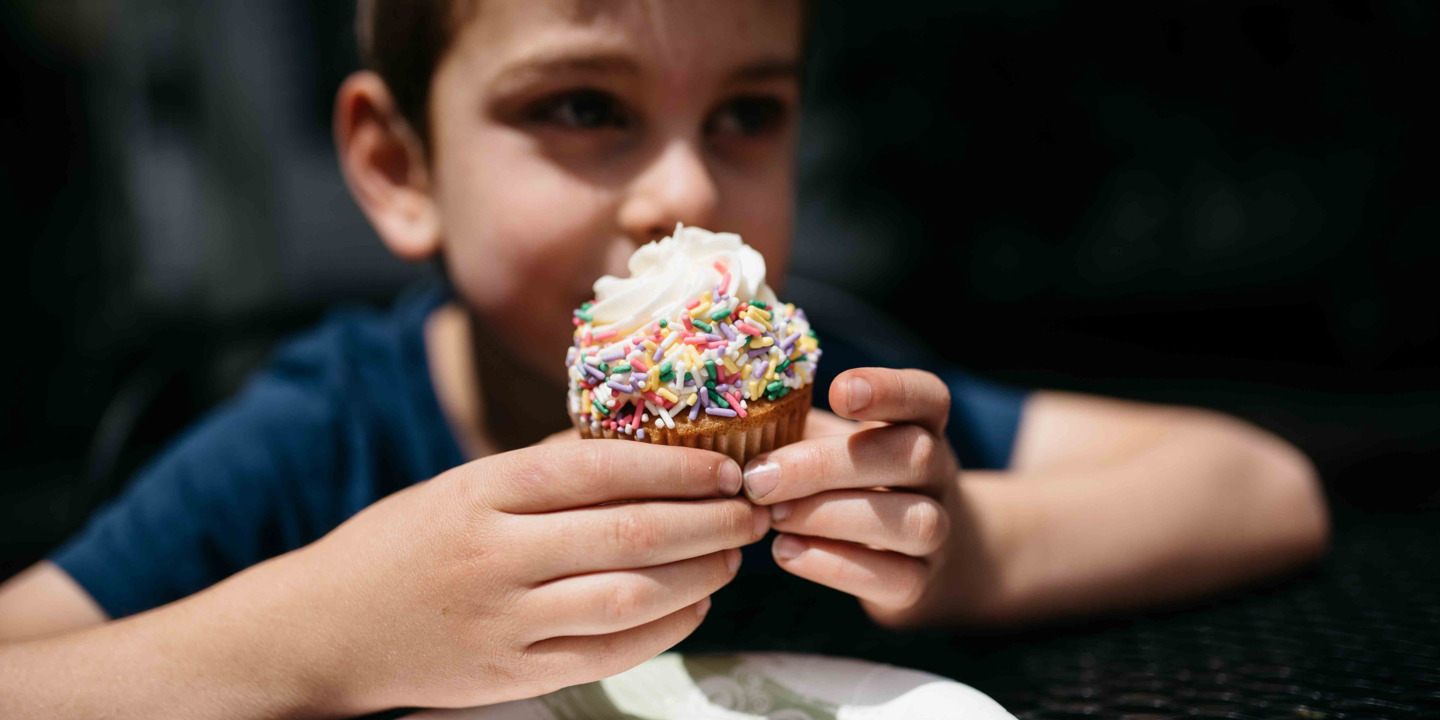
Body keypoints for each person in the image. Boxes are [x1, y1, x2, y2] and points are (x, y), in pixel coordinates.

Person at [0, 0, 1329, 716]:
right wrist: (327, 641)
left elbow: (1264, 485)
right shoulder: (318, 436)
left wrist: (962, 549)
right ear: (401, 165)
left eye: (748, 112)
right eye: (583, 106)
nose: (685, 190)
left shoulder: (823, 395)